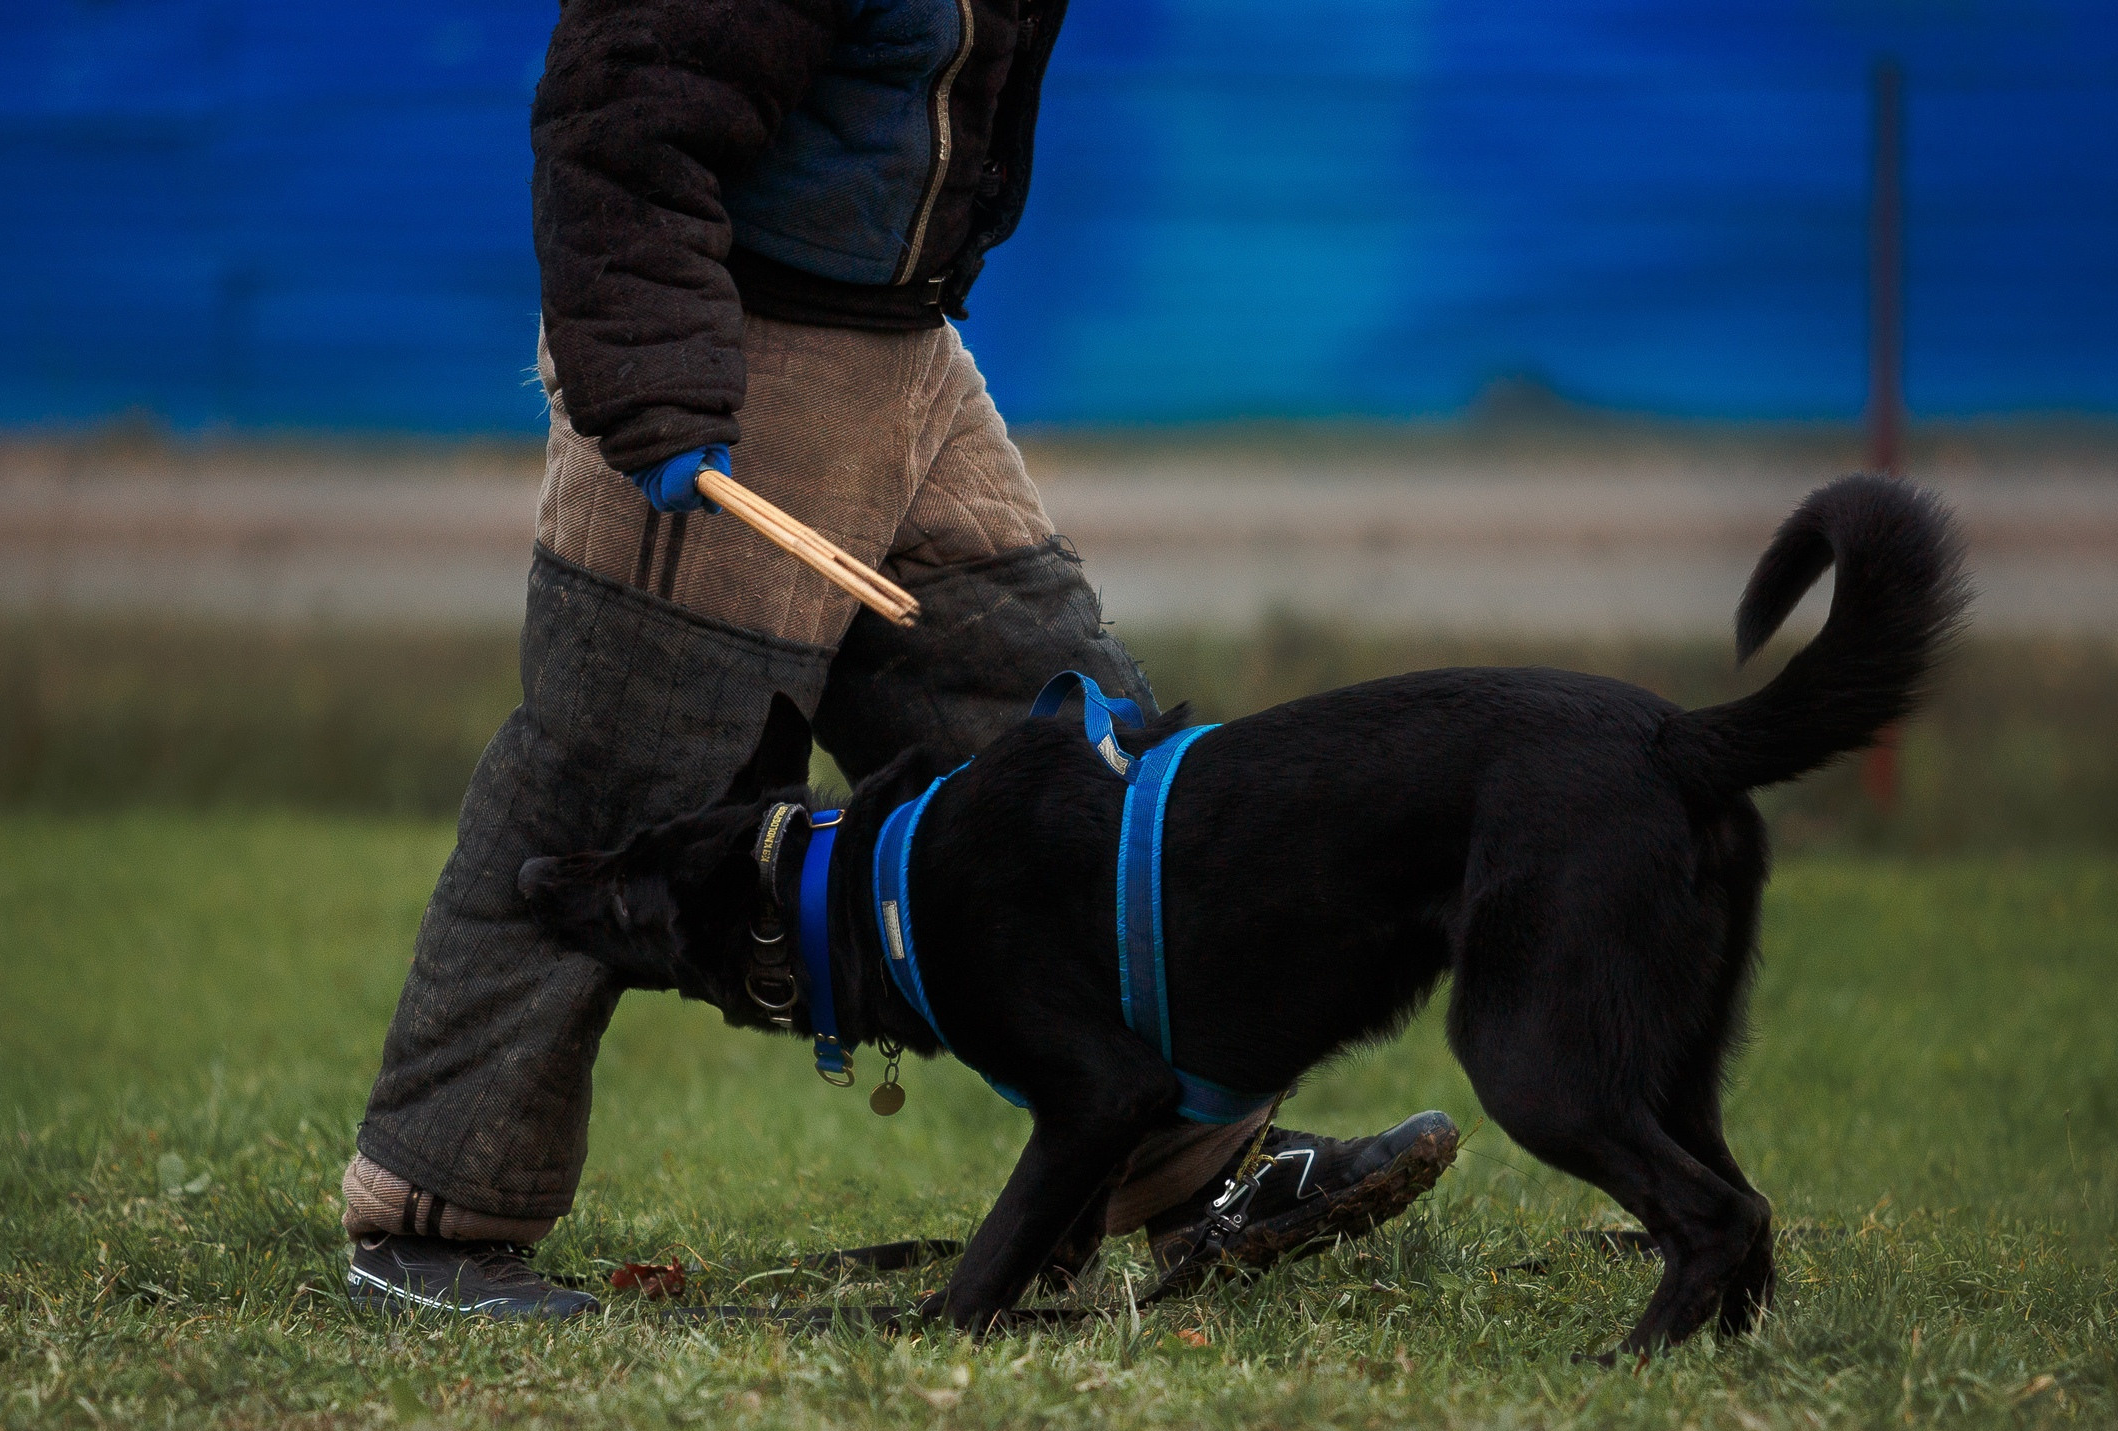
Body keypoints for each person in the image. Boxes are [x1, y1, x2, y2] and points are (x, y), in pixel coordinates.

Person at [339, 0, 1451, 1317]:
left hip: (908, 353)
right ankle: (433, 1223)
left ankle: (1196, 1166)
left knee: (1067, 750)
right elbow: (624, 113)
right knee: (611, 795)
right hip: (733, 367)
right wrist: (656, 385)